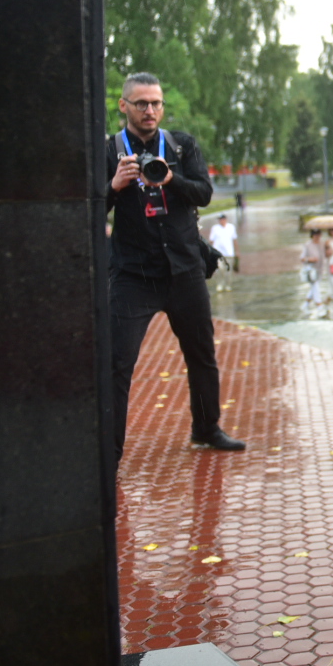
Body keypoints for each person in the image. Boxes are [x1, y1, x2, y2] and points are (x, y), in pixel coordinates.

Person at [106, 72, 245, 459]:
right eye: (141, 104)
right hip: (133, 275)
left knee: (201, 354)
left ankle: (206, 429)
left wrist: (170, 178)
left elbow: (204, 193)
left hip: (184, 271)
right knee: (118, 363)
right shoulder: (109, 150)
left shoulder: (182, 146)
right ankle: (109, 452)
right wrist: (114, 186)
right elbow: (89, 209)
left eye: (156, 103)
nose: (150, 110)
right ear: (124, 106)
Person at [207, 213, 237, 292]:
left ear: (225, 219)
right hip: (218, 254)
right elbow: (211, 240)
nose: (221, 221)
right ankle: (220, 284)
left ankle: (228, 284)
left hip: (229, 253)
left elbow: (234, 239)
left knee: (228, 271)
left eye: (222, 219)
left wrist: (237, 252)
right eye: (220, 219)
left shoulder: (231, 227)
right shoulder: (215, 228)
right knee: (219, 270)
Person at [300, 230, 324, 317]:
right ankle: (320, 307)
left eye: (318, 234)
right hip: (311, 271)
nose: (317, 237)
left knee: (313, 289)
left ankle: (305, 304)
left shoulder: (322, 244)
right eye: (315, 235)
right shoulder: (307, 245)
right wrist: (310, 259)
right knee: (315, 287)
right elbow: (302, 258)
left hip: (320, 269)